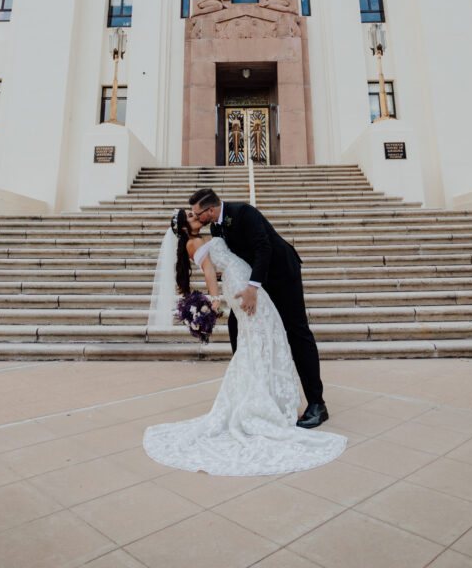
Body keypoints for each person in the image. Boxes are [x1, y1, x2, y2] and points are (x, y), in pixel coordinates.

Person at [142, 210, 346, 476]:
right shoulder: (195, 242)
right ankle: (257, 397)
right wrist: (215, 302)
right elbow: (209, 273)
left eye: (196, 213)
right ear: (183, 229)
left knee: (264, 335)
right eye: (190, 217)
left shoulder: (219, 226)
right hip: (241, 284)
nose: (196, 218)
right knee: (260, 335)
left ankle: (271, 394)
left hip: (252, 278)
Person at [189, 186, 328, 428]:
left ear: (210, 210)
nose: (196, 219)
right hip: (254, 283)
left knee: (297, 332)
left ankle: (317, 403)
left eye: (197, 214)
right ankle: (250, 392)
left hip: (282, 275)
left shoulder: (244, 212)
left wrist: (252, 287)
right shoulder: (215, 226)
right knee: (237, 328)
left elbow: (265, 247)